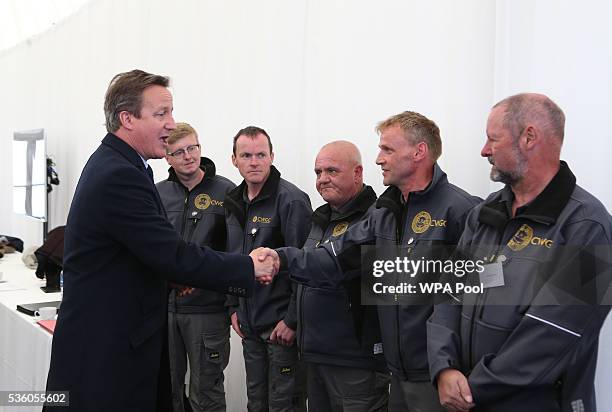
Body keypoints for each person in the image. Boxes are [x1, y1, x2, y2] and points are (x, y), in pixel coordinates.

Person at [44, 70, 275, 412]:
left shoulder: (122, 165)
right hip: (109, 352)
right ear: (127, 119)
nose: (171, 123)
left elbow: (140, 253)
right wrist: (248, 267)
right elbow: (171, 252)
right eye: (161, 114)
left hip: (122, 340)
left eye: (171, 112)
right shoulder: (119, 174)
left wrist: (169, 276)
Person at [259, 111, 480, 411]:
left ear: (419, 152)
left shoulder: (463, 211)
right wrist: (281, 258)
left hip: (441, 377)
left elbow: (484, 294)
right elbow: (335, 258)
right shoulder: (384, 213)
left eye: (387, 149)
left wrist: (450, 365)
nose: (379, 159)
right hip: (397, 373)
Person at [427, 93, 612, 412]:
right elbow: (449, 293)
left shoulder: (591, 227)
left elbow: (553, 334)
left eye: (492, 139)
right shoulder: (484, 213)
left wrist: (473, 388)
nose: (484, 150)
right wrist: (443, 367)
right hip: (468, 398)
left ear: (529, 137)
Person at [224, 126, 312, 412]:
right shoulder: (234, 201)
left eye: (261, 154)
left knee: (283, 406)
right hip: (249, 325)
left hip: (280, 329)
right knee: (256, 403)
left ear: (272, 156)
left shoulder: (291, 200)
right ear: (234, 160)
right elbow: (232, 258)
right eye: (246, 155)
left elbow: (305, 265)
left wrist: (292, 320)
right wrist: (233, 307)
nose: (254, 161)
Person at [299, 140, 389, 411]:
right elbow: (306, 277)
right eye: (318, 172)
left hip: (354, 361)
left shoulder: (375, 219)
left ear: (358, 173)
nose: (323, 179)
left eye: (332, 171)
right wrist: (293, 319)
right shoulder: (320, 219)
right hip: (315, 354)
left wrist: (278, 259)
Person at [156, 122, 235, 412]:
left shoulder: (227, 192)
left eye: (193, 148)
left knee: (207, 392)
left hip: (207, 311)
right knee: (166, 390)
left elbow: (233, 252)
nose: (188, 156)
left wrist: (231, 304)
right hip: (163, 309)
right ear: (167, 157)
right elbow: (150, 250)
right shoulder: (157, 194)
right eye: (179, 152)